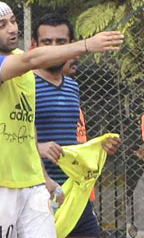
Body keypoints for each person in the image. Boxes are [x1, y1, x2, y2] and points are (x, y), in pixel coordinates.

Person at [0, 1, 124, 238]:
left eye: (13, 21)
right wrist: (86, 45)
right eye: (2, 24)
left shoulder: (24, 64)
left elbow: (27, 124)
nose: (12, 28)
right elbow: (31, 61)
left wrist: (45, 178)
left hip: (32, 184)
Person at [32, 12, 121, 238]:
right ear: (35, 45)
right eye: (46, 42)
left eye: (60, 42)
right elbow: (6, 137)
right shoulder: (23, 84)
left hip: (74, 192)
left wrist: (96, 148)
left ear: (71, 45)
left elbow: (71, 139)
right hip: (37, 193)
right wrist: (38, 148)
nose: (53, 48)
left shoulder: (72, 86)